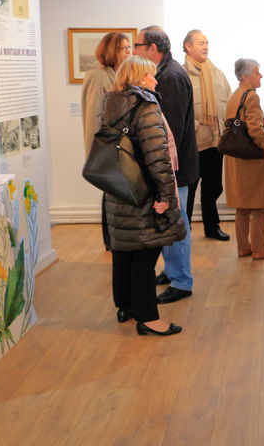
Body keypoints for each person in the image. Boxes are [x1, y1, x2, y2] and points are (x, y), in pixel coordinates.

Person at [102, 55, 184, 336]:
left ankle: (126, 307)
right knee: (146, 255)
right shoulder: (145, 106)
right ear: (138, 78)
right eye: (150, 75)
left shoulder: (111, 103)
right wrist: (165, 195)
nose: (155, 80)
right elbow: (157, 156)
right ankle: (148, 318)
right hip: (144, 191)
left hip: (118, 189)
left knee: (125, 251)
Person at [133, 25, 199, 303]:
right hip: (175, 167)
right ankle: (173, 272)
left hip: (176, 168)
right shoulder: (167, 72)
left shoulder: (170, 77)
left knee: (176, 223)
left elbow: (170, 130)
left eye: (137, 46)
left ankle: (182, 281)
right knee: (169, 221)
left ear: (152, 49)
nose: (133, 51)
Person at [223, 58, 264, 260]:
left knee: (243, 205)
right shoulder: (251, 97)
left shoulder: (234, 96)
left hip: (236, 158)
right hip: (253, 159)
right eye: (257, 72)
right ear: (245, 76)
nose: (261, 76)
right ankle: (259, 248)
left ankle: (244, 247)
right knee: (259, 205)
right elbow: (256, 130)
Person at [81, 32, 132, 250]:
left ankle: (116, 238)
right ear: (112, 52)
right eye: (124, 48)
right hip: (107, 146)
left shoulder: (119, 74)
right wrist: (97, 151)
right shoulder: (98, 75)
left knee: (117, 192)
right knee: (111, 192)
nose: (129, 52)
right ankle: (110, 240)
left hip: (120, 144)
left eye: (129, 47)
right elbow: (94, 116)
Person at [182, 29, 232, 241]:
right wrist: (195, 124)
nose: (206, 47)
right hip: (193, 144)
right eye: (201, 43)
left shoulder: (218, 73)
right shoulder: (181, 74)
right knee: (190, 189)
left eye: (207, 43)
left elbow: (228, 103)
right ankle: (184, 231)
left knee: (213, 187)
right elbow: (177, 110)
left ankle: (212, 227)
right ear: (188, 47)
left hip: (215, 142)